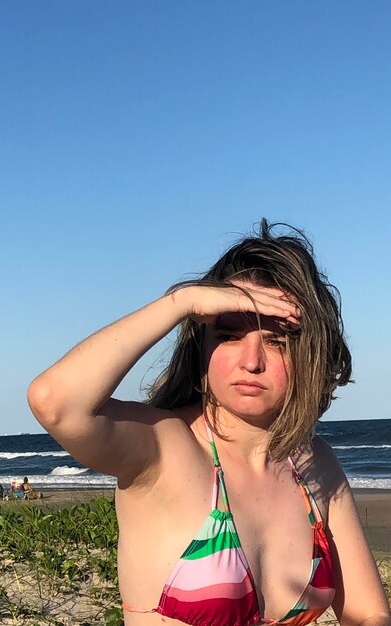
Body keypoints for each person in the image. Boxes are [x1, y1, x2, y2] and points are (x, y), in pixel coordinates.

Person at [28, 220, 391, 626]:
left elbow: (368, 611)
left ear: (310, 354)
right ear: (201, 344)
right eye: (228, 335)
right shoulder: (164, 449)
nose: (251, 361)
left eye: (278, 341)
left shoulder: (312, 463)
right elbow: (56, 402)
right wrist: (180, 303)